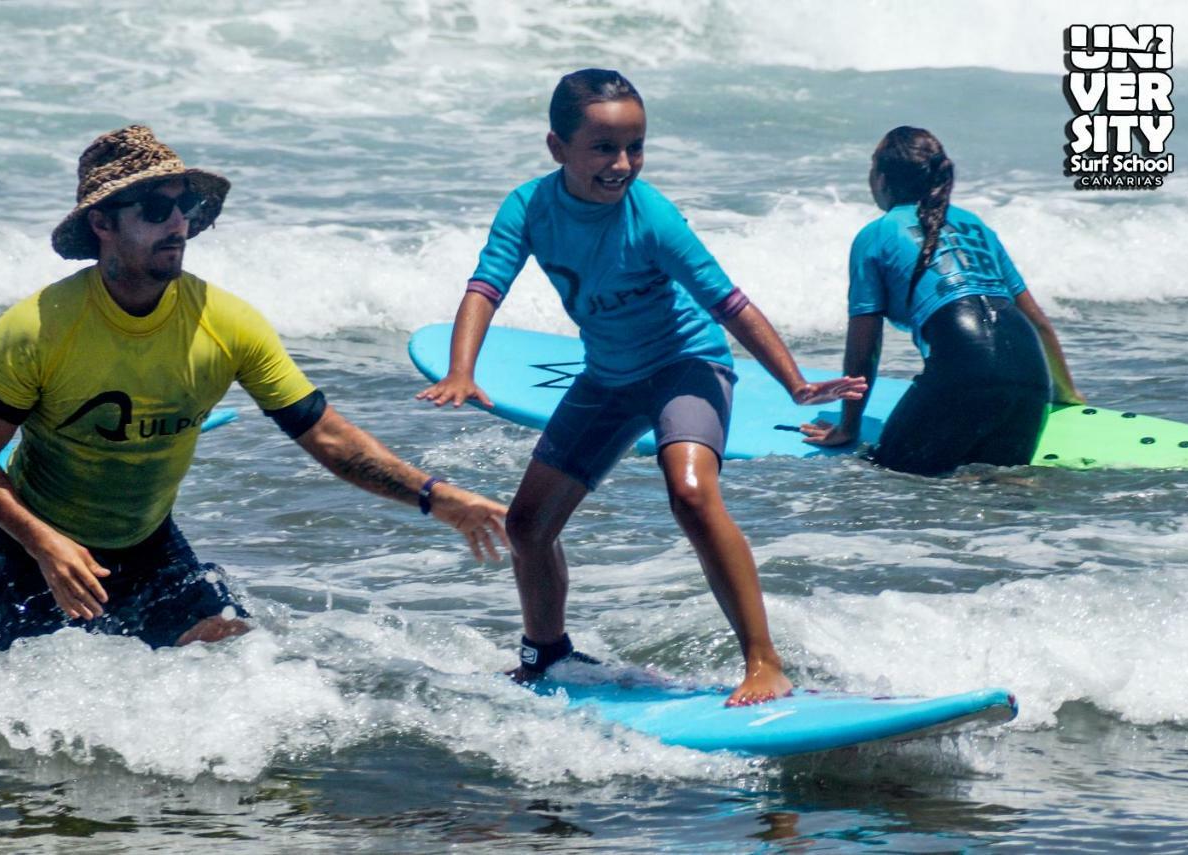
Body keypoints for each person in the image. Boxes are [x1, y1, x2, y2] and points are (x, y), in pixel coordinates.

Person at [0, 125, 508, 651]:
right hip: (38, 552)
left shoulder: (225, 322)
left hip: (149, 546)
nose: (177, 224)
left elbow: (329, 438)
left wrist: (438, 498)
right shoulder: (39, 329)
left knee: (235, 655)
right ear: (102, 224)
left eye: (185, 207)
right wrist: (43, 543)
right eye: (154, 208)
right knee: (42, 717)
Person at [417, 69, 866, 707]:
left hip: (687, 365)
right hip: (609, 376)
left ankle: (765, 662)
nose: (622, 163)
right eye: (603, 147)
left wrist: (792, 383)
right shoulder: (529, 207)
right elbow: (485, 287)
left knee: (689, 492)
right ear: (557, 148)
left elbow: (729, 303)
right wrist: (462, 370)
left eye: (636, 146)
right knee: (526, 526)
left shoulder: (651, 216)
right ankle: (546, 656)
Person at [801, 126, 1084, 475]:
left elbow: (865, 348)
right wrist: (1065, 395)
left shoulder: (876, 234)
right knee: (1004, 489)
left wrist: (848, 427)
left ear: (882, 179)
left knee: (886, 476)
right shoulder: (974, 224)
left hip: (964, 370)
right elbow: (1037, 320)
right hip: (1030, 372)